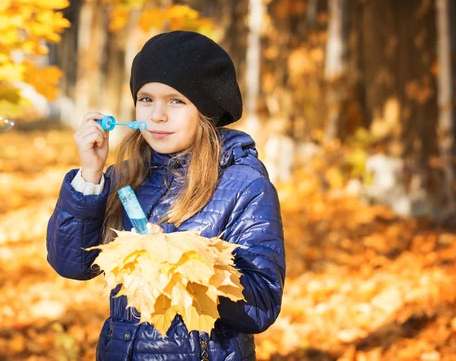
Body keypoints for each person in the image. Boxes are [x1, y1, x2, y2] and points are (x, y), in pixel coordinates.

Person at [46, 30, 285, 361]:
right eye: (146, 99)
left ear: (207, 110)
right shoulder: (124, 178)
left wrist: (179, 263)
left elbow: (262, 305)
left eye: (176, 101)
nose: (157, 115)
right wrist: (90, 176)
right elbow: (72, 263)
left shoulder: (244, 186)